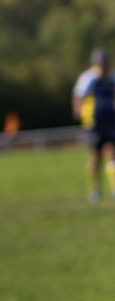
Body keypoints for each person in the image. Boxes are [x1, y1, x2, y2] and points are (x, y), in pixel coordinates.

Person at [72, 46, 115, 202]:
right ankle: (95, 190)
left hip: (111, 122)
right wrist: (79, 112)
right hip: (94, 123)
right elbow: (78, 96)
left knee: (112, 152)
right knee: (95, 156)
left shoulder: (112, 78)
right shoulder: (89, 78)